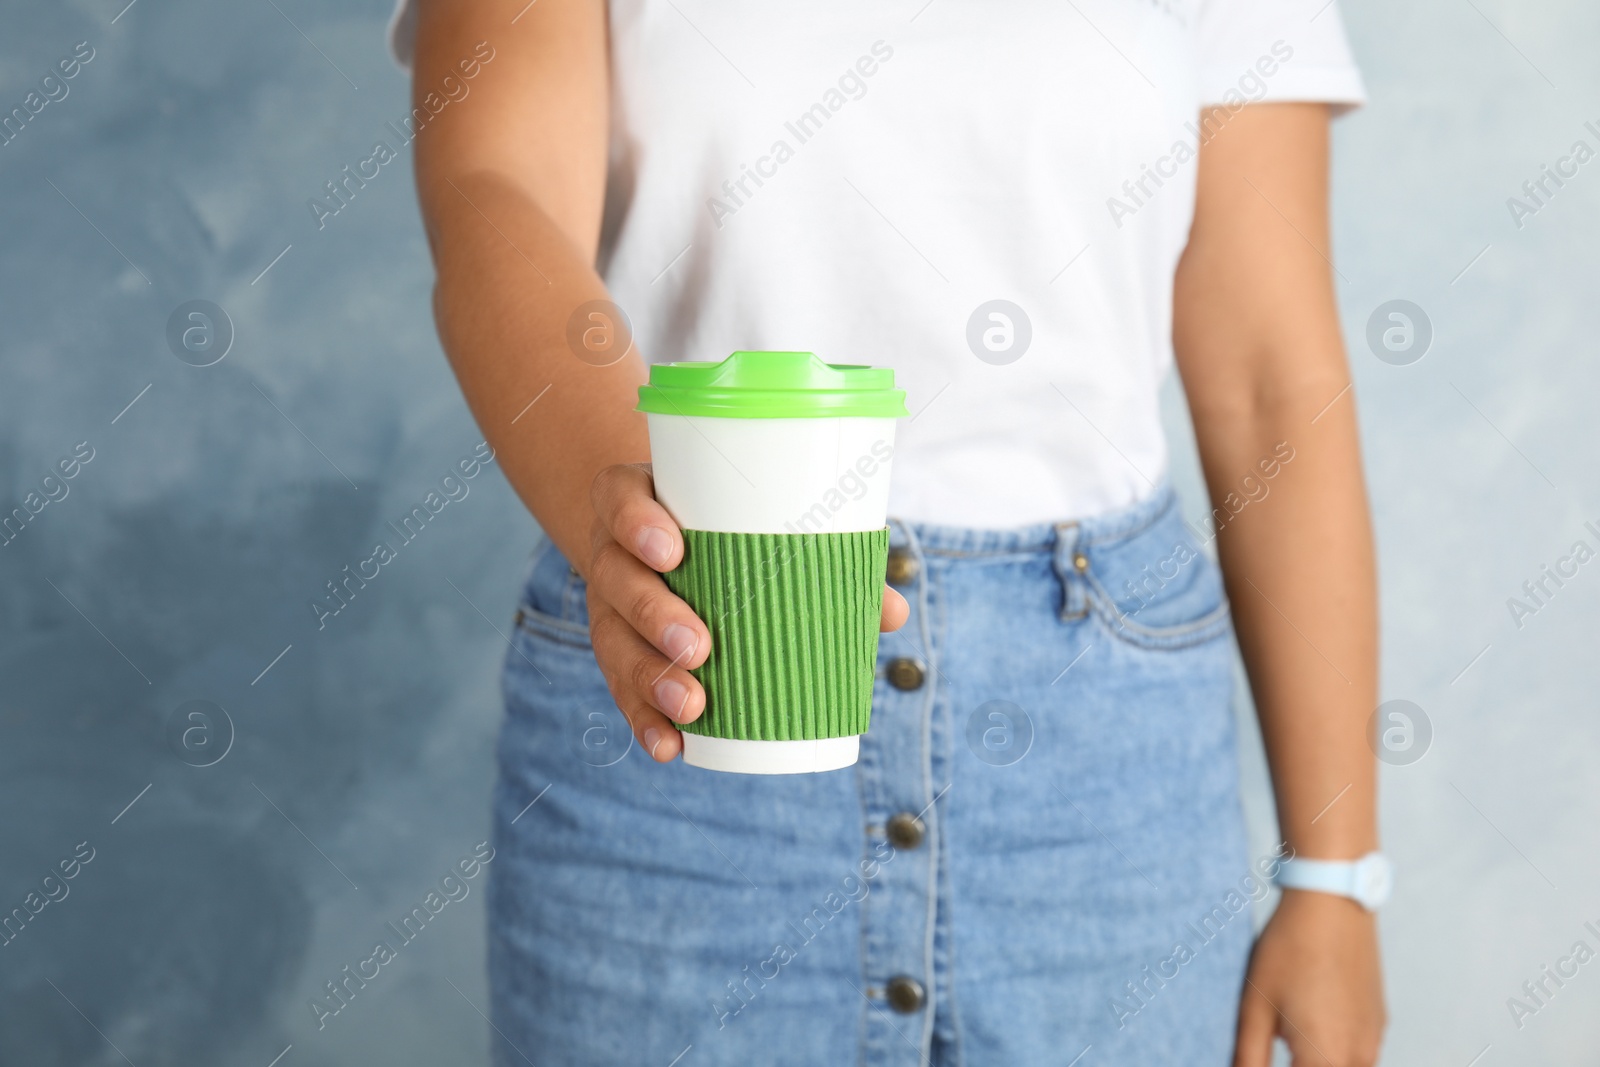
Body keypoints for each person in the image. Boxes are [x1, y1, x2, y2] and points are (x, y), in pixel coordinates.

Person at [395, 0, 1385, 1063]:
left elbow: (1271, 383)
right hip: (677, 684)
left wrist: (1333, 871)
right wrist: (633, 515)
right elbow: (496, 194)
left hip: (1103, 764)